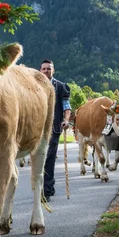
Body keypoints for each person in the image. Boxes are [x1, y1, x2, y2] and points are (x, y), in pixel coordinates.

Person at [40, 59, 71, 202]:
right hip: (37, 128)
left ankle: (46, 191)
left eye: (49, 69)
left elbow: (66, 106)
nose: (46, 71)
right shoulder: (34, 85)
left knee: (49, 158)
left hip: (53, 128)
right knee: (40, 159)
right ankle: (50, 186)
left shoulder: (60, 87)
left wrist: (65, 120)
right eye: (44, 69)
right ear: (40, 70)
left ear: (53, 70)